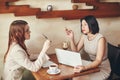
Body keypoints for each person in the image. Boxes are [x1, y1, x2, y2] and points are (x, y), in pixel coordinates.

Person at [65, 15, 111, 80]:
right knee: (72, 74)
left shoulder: (101, 39)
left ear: (92, 24)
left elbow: (98, 61)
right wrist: (71, 38)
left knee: (76, 78)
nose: (82, 27)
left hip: (102, 68)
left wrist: (84, 68)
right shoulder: (84, 36)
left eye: (85, 25)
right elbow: (75, 51)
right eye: (82, 25)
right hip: (91, 65)